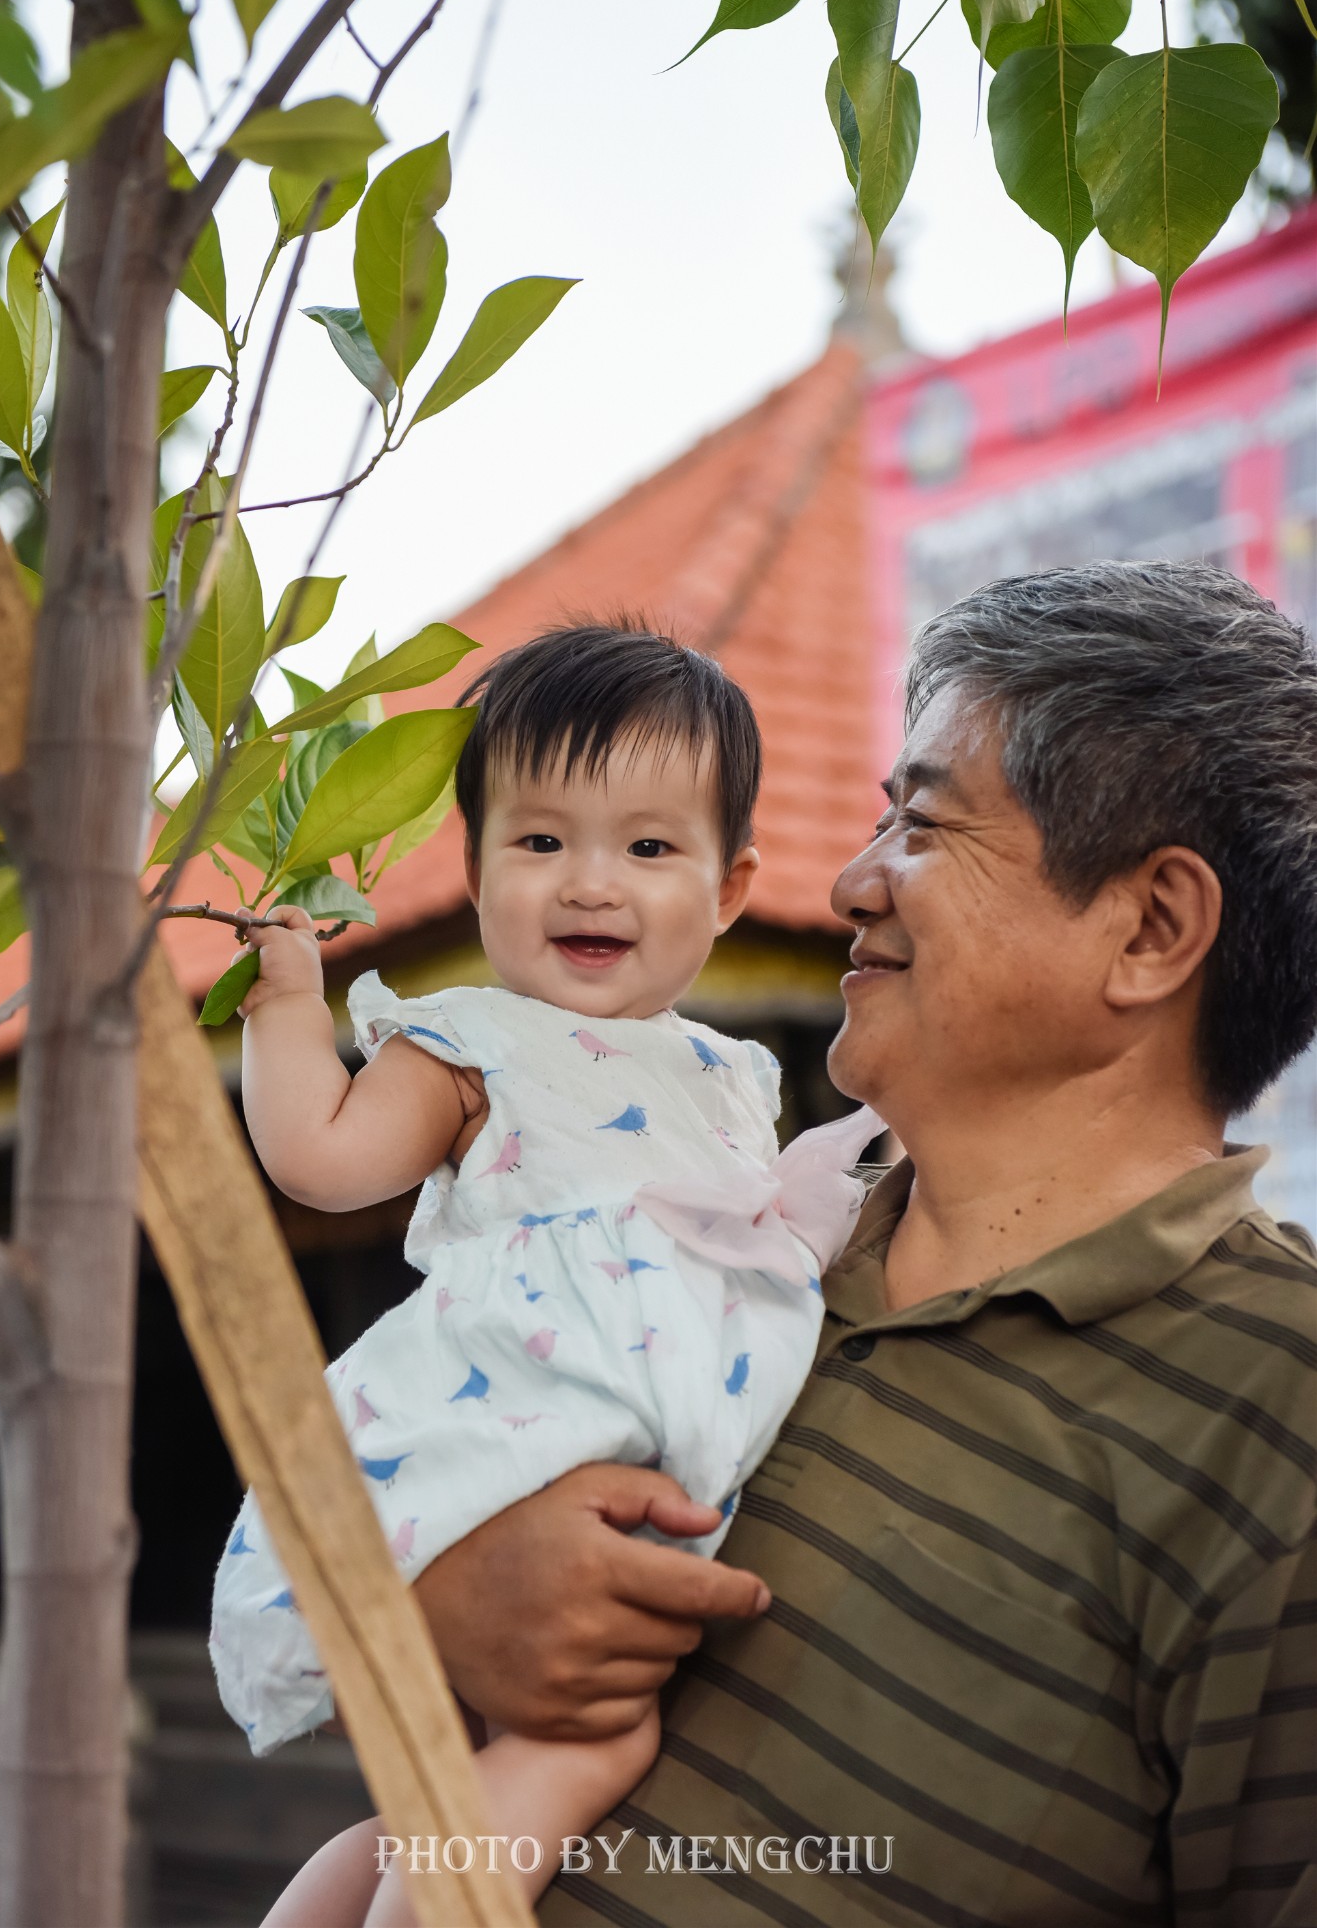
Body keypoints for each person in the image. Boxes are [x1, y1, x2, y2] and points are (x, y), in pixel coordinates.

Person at [405, 561, 1317, 1927]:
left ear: (1148, 928)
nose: (848, 881)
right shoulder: (734, 1228)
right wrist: (449, 1592)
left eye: (922, 826)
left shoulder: (1283, 1399)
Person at [208, 623, 880, 1926]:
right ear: (471, 869)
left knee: (443, 1792)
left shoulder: (734, 1075)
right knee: (592, 1747)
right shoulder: (470, 1042)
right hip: (512, 1436)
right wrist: (287, 1007)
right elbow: (323, 1160)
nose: (589, 885)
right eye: (539, 842)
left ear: (729, 885)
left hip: (663, 1447)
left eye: (645, 846)